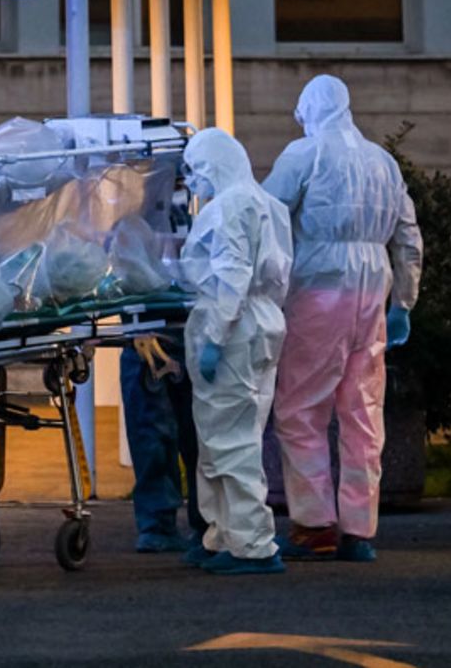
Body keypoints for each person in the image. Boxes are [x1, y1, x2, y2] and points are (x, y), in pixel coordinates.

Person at [263, 75, 423, 563]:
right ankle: (360, 530)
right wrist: (404, 304)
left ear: (310, 110)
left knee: (301, 408)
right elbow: (409, 236)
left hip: (318, 288)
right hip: (373, 290)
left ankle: (314, 526)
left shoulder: (303, 156)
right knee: (362, 411)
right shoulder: (383, 162)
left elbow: (264, 216)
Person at [177, 128, 293, 575]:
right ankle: (224, 535)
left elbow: (231, 275)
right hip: (263, 322)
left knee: (230, 441)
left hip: (232, 327)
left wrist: (217, 336)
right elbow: (280, 275)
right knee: (233, 434)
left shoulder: (228, 207)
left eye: (197, 169)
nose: (194, 180)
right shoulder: (267, 204)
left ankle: (252, 544)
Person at [120, 336, 206, 553]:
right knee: (191, 439)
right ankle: (200, 525)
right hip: (178, 334)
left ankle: (161, 525)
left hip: (148, 334)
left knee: (157, 438)